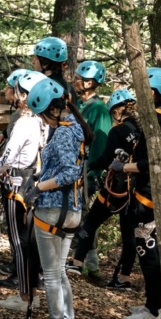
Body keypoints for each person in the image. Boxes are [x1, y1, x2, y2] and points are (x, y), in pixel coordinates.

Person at [23, 77, 86, 319]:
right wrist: (41, 178)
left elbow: (70, 172)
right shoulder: (77, 128)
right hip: (72, 209)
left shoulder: (61, 132)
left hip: (51, 209)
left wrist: (38, 188)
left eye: (43, 116)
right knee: (59, 274)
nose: (43, 122)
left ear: (51, 109)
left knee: (51, 275)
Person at [121, 67, 161, 319]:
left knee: (147, 252)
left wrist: (123, 168)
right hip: (146, 192)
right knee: (149, 251)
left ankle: (153, 310)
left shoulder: (160, 118)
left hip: (148, 196)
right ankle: (155, 303)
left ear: (153, 91)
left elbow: (152, 160)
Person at [0, 70, 48, 312]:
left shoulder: (24, 122)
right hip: (32, 183)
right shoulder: (41, 121)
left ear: (23, 95)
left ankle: (25, 297)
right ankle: (30, 294)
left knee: (20, 242)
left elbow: (8, 157)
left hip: (17, 184)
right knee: (29, 242)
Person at [73, 88, 140, 290]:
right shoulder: (143, 132)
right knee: (129, 234)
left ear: (118, 111)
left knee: (91, 222)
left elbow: (106, 158)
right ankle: (124, 278)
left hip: (115, 188)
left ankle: (76, 263)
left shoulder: (117, 131)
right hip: (135, 191)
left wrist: (89, 166)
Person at [70, 60, 112, 275]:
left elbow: (101, 144)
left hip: (87, 171)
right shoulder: (80, 105)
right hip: (76, 168)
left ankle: (90, 263)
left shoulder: (99, 110)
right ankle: (88, 261)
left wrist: (93, 172)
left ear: (88, 83)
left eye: (77, 79)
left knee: (85, 216)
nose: (74, 82)